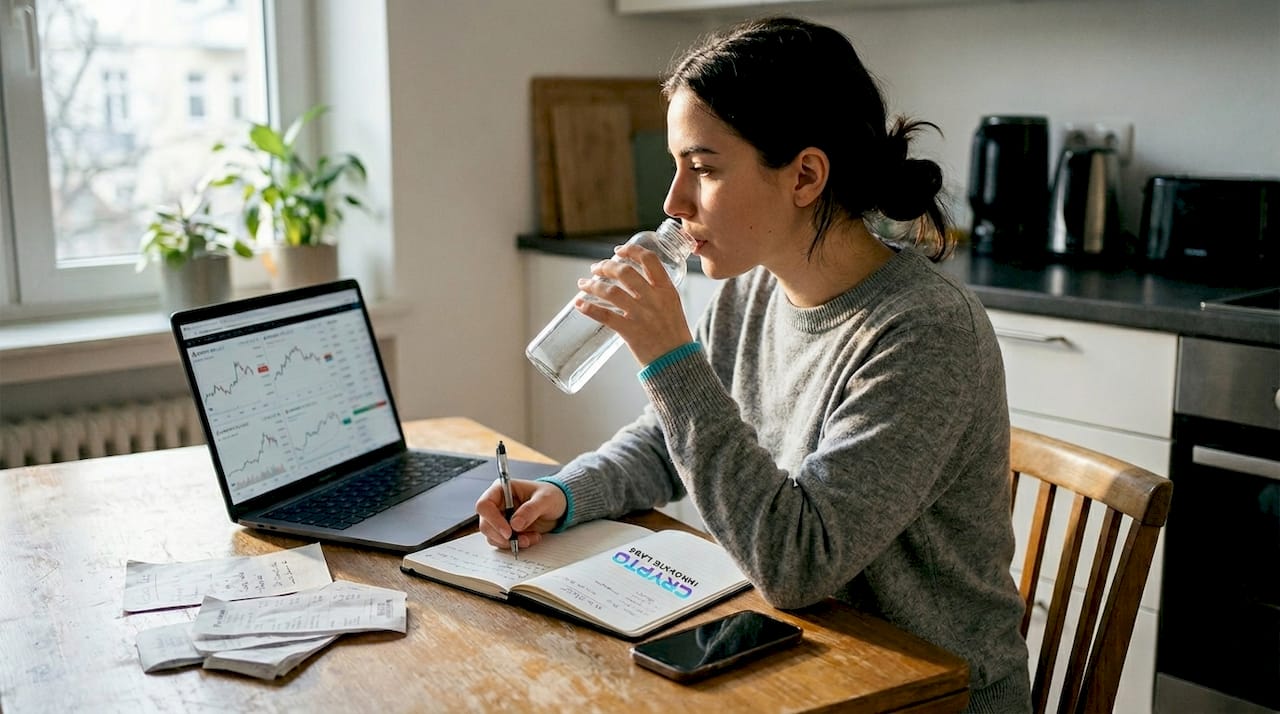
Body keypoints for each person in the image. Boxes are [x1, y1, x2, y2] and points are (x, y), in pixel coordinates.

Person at [478, 16, 1030, 712]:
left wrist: (669, 357)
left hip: (926, 692)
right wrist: (568, 491)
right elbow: (669, 441)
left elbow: (797, 563)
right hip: (802, 656)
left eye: (703, 169)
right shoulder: (754, 288)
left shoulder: (924, 332)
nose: (673, 203)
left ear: (804, 175)